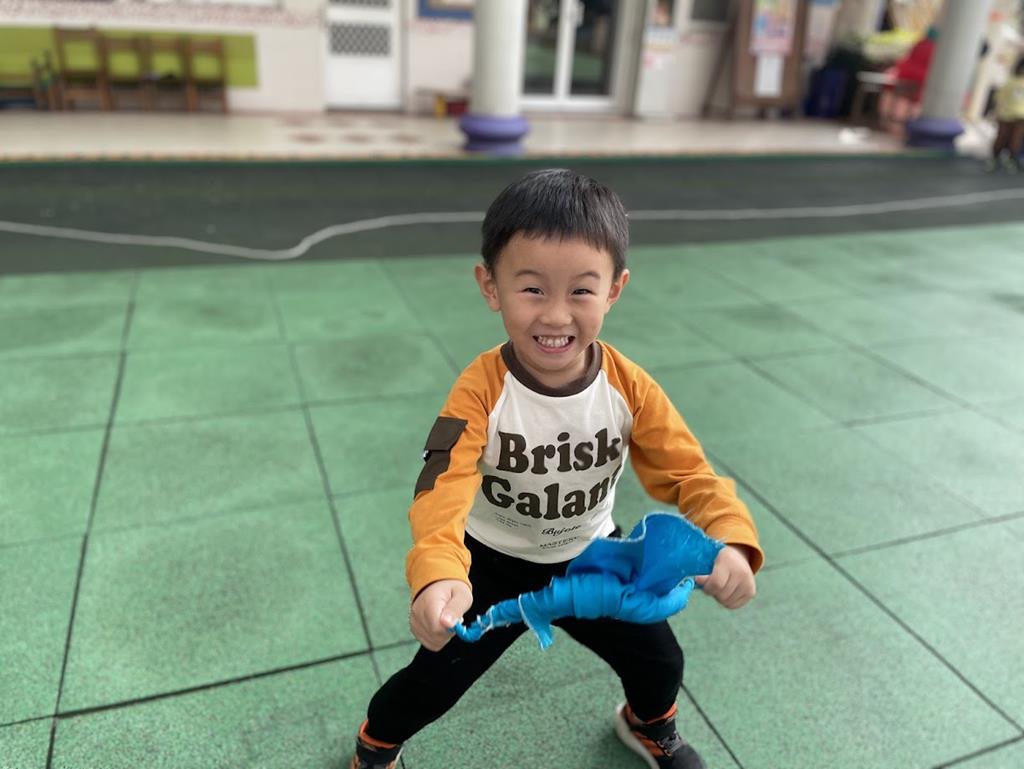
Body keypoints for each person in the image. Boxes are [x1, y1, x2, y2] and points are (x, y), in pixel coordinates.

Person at [349, 169, 764, 769]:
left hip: (594, 555)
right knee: (436, 677)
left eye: (581, 291)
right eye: (532, 289)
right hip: (492, 564)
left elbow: (689, 473)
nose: (556, 316)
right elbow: (442, 486)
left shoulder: (629, 387)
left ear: (615, 289)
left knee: (660, 660)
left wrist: (731, 538)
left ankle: (648, 725)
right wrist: (438, 570)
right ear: (490, 286)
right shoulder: (480, 391)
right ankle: (376, 745)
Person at [878, 26, 937, 132]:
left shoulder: (921, 44)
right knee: (914, 102)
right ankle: (907, 126)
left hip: (906, 75)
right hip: (922, 79)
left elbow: (909, 59)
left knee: (899, 98)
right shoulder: (937, 48)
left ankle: (892, 124)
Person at [989, 56, 1024, 172]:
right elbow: (999, 97)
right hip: (1006, 115)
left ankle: (1009, 160)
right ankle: (995, 159)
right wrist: (997, 111)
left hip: (1019, 117)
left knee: (1015, 140)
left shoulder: (1010, 81)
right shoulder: (1010, 82)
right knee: (1002, 138)